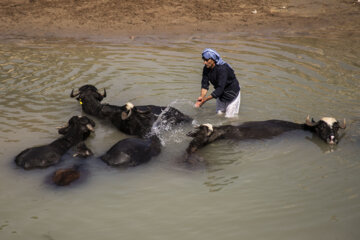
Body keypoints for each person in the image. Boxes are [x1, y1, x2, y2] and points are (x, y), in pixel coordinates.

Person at [194, 48, 241, 118]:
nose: (204, 62)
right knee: (219, 115)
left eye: (207, 60)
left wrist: (205, 100)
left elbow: (220, 88)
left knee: (230, 119)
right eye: (203, 60)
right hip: (221, 96)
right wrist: (202, 97)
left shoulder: (222, 69)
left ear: (213, 59)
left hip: (232, 95)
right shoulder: (206, 69)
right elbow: (205, 84)